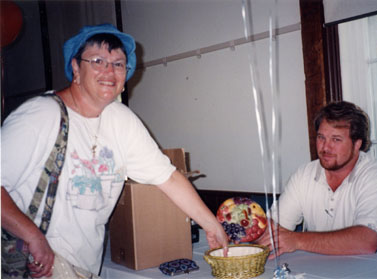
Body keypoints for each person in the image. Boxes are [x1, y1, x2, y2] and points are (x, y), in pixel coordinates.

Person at [1, 23, 228, 278]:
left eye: (118, 64)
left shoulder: (121, 120)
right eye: (98, 60)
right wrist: (32, 236)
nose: (109, 71)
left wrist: (212, 225)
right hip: (35, 267)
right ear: (75, 68)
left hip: (84, 267)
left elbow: (168, 177)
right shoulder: (41, 115)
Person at [256, 101, 377, 258]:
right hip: (317, 269)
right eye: (321, 137)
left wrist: (297, 240)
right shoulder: (304, 174)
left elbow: (366, 242)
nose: (325, 147)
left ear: (357, 144)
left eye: (336, 139)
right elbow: (273, 229)